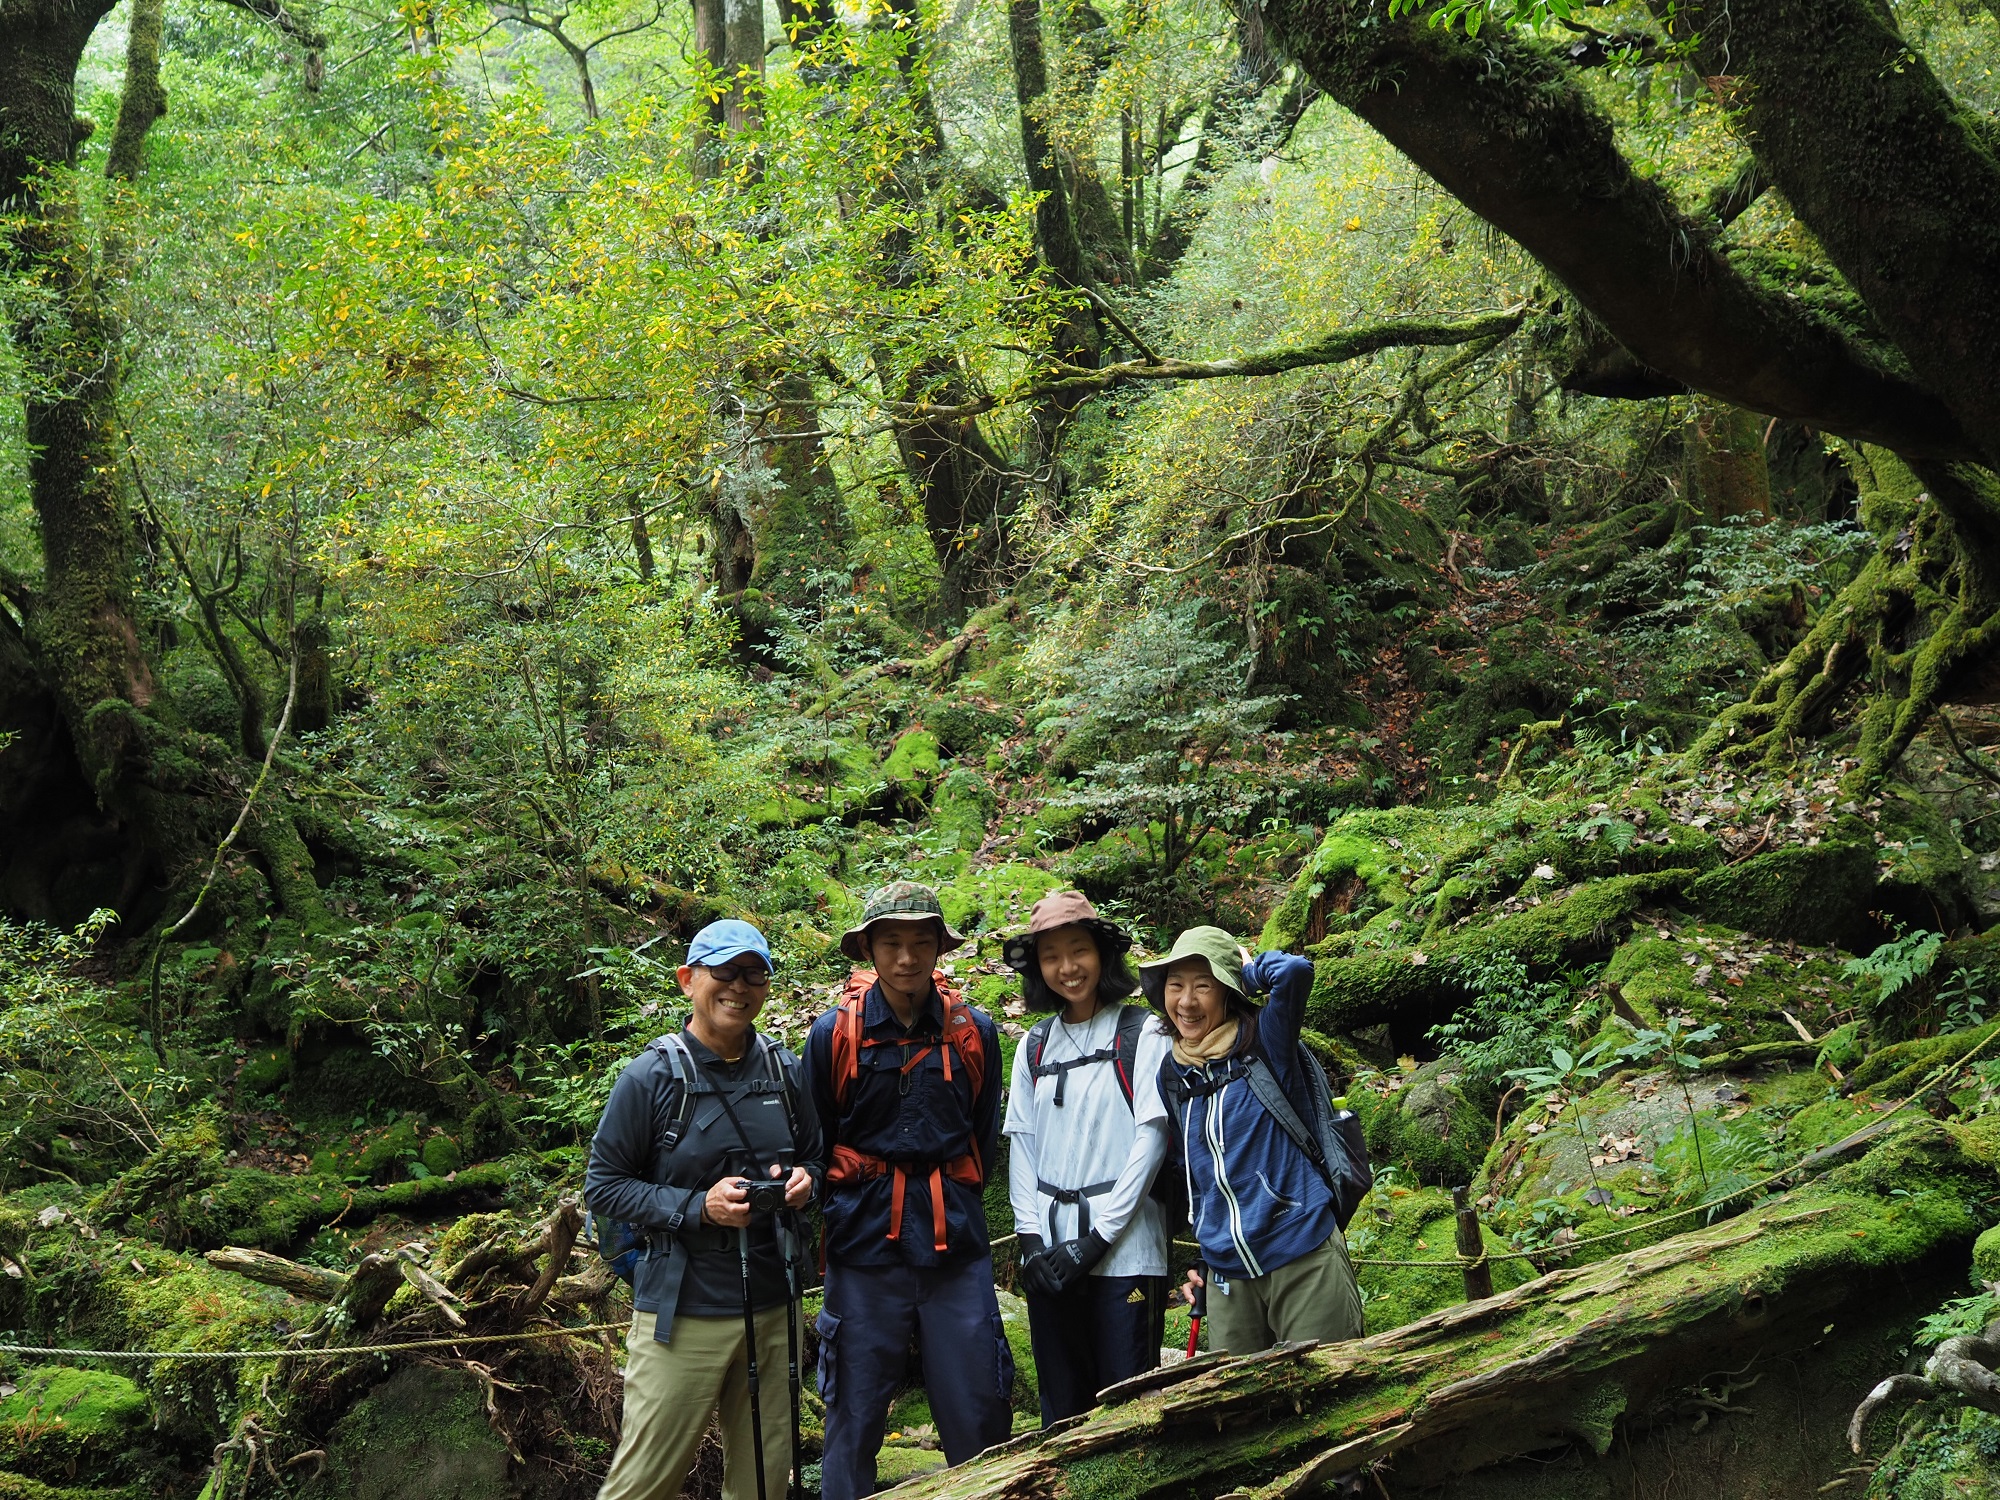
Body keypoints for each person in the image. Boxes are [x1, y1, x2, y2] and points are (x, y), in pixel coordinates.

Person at [585, 918, 822, 1500]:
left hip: (775, 1304)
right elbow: (604, 1187)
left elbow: (819, 1160)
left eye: (755, 974)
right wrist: (700, 1206)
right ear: (688, 979)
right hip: (683, 1310)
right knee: (644, 1482)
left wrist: (804, 1182)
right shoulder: (651, 1077)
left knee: (764, 1481)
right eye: (725, 971)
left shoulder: (786, 1071)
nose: (739, 986)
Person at [804, 881, 1012, 1500]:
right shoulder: (833, 1035)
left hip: (956, 1243)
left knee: (978, 1407)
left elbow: (982, 1134)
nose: (905, 957)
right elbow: (817, 1138)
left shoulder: (973, 1032)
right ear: (869, 949)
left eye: (921, 942)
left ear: (939, 949)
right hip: (863, 1245)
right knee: (854, 1413)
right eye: (890, 942)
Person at [1143, 926, 1363, 1356]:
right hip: (1229, 1277)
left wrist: (1250, 972)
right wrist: (1204, 1256)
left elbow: (1296, 972)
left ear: (1227, 991)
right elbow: (1198, 1176)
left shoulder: (1266, 1040)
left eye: (1203, 986)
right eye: (1175, 986)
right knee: (1244, 1413)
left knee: (1330, 1401)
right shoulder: (1173, 1075)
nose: (1186, 1002)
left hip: (1302, 1252)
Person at [1001, 890, 1174, 1425]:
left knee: (1125, 1415)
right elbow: (1022, 1145)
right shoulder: (1035, 1044)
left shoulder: (1143, 1032)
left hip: (1127, 1255)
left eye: (1078, 951)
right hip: (1052, 1256)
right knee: (1063, 1411)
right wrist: (1032, 1242)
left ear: (1102, 953)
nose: (1067, 968)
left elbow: (1151, 1140)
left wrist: (1098, 1239)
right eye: (1051, 957)